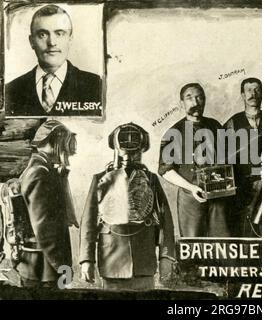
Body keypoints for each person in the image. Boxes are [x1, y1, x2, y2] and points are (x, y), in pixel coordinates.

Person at [79, 123, 176, 291]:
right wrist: (86, 260)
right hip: (112, 262)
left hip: (144, 263)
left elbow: (165, 221)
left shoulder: (151, 180)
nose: (129, 154)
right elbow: (88, 222)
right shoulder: (100, 179)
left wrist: (166, 258)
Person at [158, 83, 230, 237]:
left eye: (199, 97)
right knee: (192, 247)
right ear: (181, 103)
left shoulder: (215, 126)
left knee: (221, 246)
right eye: (189, 98)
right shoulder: (174, 132)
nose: (195, 102)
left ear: (204, 100)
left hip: (219, 195)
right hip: (190, 196)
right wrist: (191, 188)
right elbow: (165, 170)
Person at [5, 4, 102, 117]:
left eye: (59, 33)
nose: (51, 42)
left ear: (70, 39)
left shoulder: (95, 86)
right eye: (42, 35)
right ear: (31, 41)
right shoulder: (10, 90)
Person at [16, 120, 78, 287]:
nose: (67, 149)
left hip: (41, 265)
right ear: (54, 142)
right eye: (64, 143)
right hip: (44, 270)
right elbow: (44, 228)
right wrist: (62, 267)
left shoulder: (42, 169)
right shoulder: (40, 173)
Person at [224, 77, 262, 237]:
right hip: (241, 190)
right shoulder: (232, 124)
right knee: (242, 234)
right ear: (242, 95)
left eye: (257, 89)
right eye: (249, 90)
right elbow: (223, 159)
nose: (253, 94)